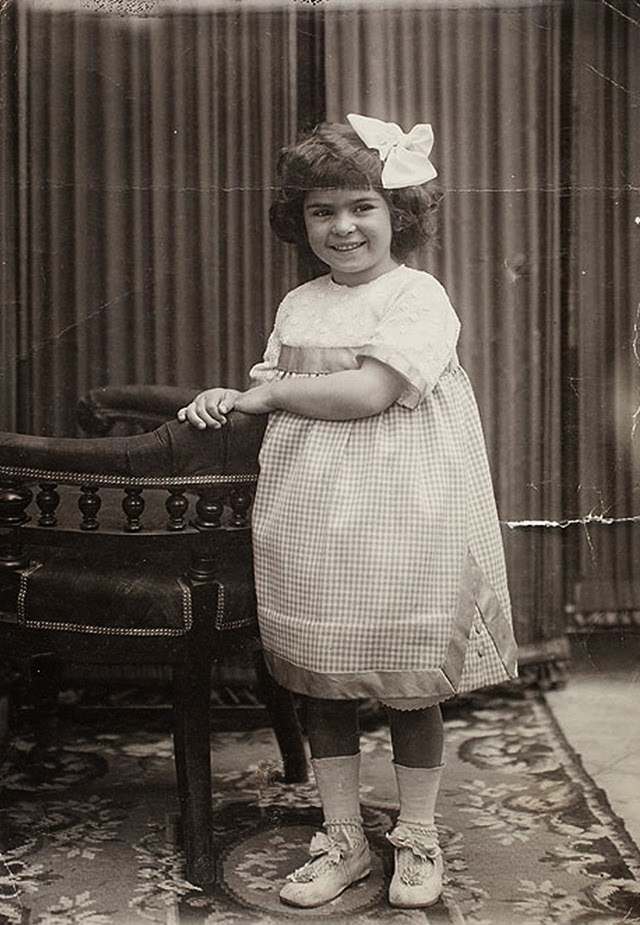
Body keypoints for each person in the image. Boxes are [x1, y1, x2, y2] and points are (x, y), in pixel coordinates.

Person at [177, 113, 518, 910]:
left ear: (399, 213)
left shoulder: (417, 295)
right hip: (309, 514)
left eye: (361, 206)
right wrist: (233, 396)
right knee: (322, 680)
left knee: (407, 686)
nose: (342, 226)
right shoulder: (299, 302)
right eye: (321, 211)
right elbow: (274, 392)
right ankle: (343, 835)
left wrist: (269, 391)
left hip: (404, 511)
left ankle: (419, 833)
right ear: (299, 221)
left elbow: (368, 393)